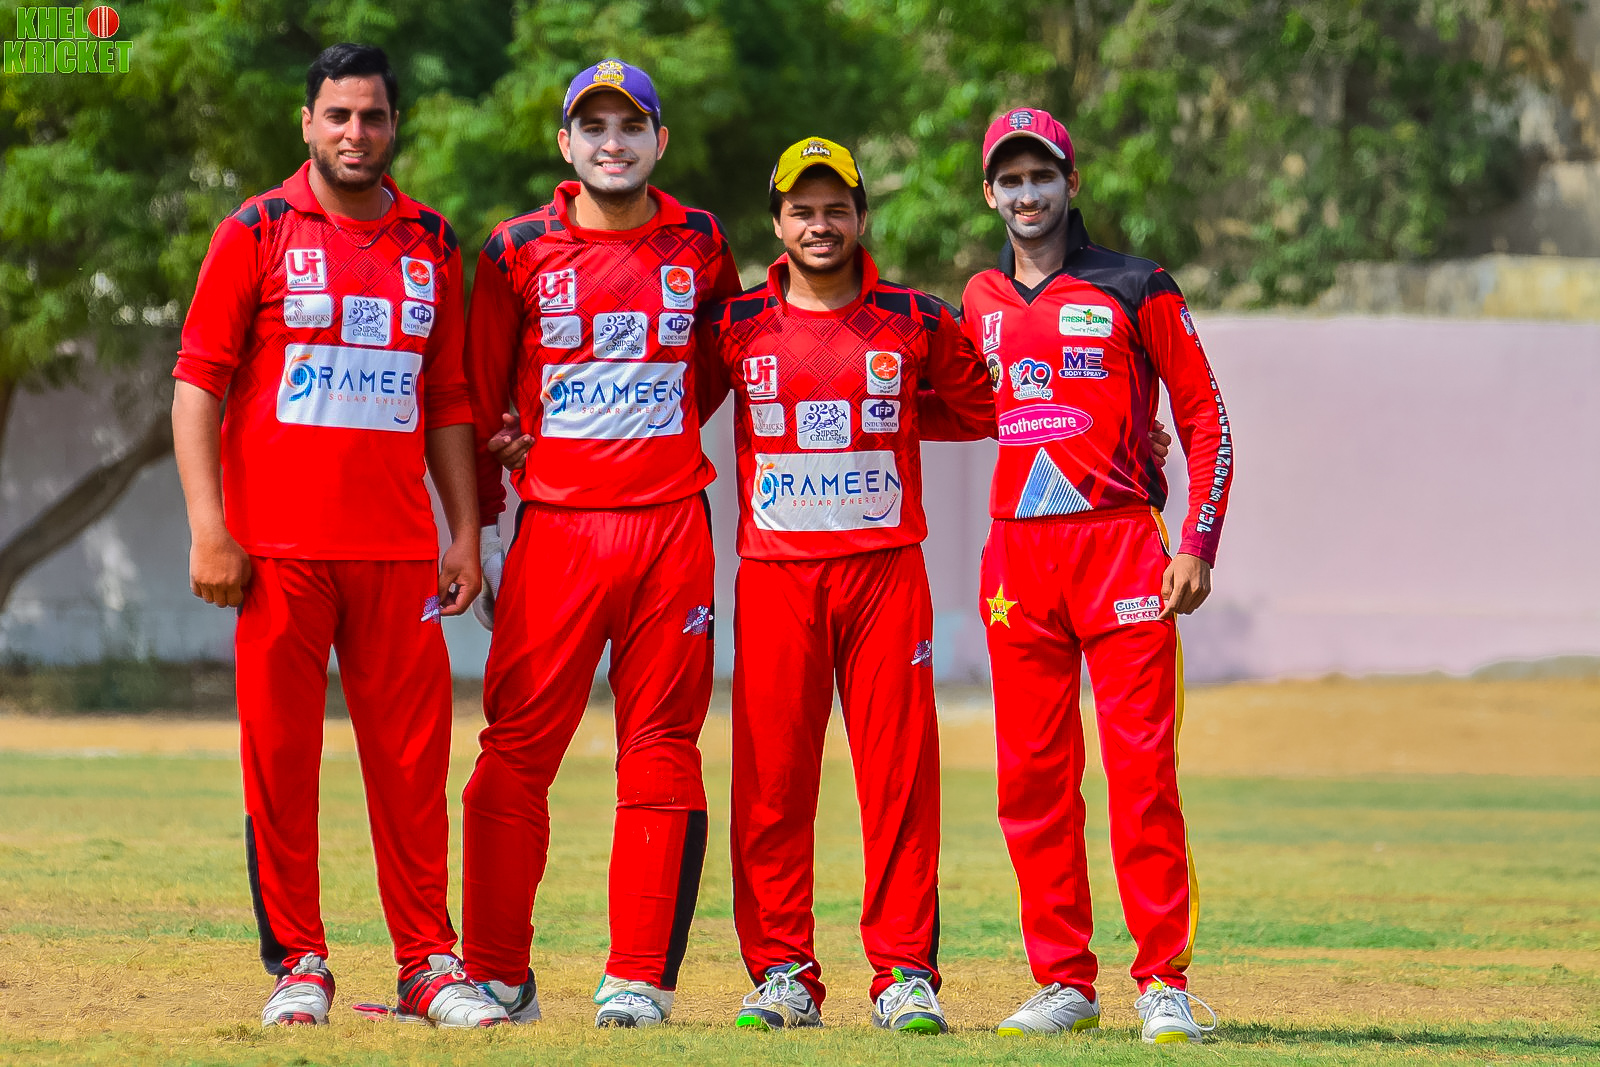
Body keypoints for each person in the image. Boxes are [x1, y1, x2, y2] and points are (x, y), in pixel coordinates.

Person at [170, 43, 506, 1029]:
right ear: (307, 124)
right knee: (282, 765)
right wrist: (209, 529)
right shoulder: (257, 230)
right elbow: (197, 383)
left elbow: (447, 398)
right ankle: (299, 964)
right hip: (277, 553)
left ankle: (428, 964)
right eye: (338, 115)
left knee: (411, 769)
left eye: (373, 116)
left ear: (394, 126)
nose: (356, 133)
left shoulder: (432, 241)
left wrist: (464, 532)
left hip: (398, 553)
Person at [459, 59, 742, 1029]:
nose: (612, 143)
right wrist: (486, 530)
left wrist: (644, 441)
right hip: (555, 532)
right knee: (512, 752)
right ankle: (497, 973)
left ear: (660, 141)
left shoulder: (701, 240)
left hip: (671, 527)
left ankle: (637, 979)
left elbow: (713, 368)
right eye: (594, 126)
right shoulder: (515, 248)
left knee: (661, 751)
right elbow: (483, 395)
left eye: (631, 126)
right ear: (566, 144)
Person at [694, 137, 995, 1034]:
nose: (819, 225)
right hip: (776, 576)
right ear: (777, 224)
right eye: (802, 210)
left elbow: (984, 408)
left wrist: (897, 418)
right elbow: (672, 406)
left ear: (861, 217)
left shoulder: (914, 318)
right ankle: (781, 971)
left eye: (836, 209)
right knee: (771, 780)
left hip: (885, 574)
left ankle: (904, 973)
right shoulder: (735, 322)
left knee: (899, 777)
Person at [952, 106, 1233, 1044]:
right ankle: (1063, 980)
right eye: (1010, 179)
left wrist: (1197, 541)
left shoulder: (1136, 284)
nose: (1027, 193)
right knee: (1032, 780)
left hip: (1122, 549)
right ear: (990, 193)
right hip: (1017, 563)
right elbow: (943, 406)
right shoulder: (977, 299)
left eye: (1043, 175)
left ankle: (1164, 981)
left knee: (1141, 776)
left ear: (1071, 183)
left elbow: (1205, 419)